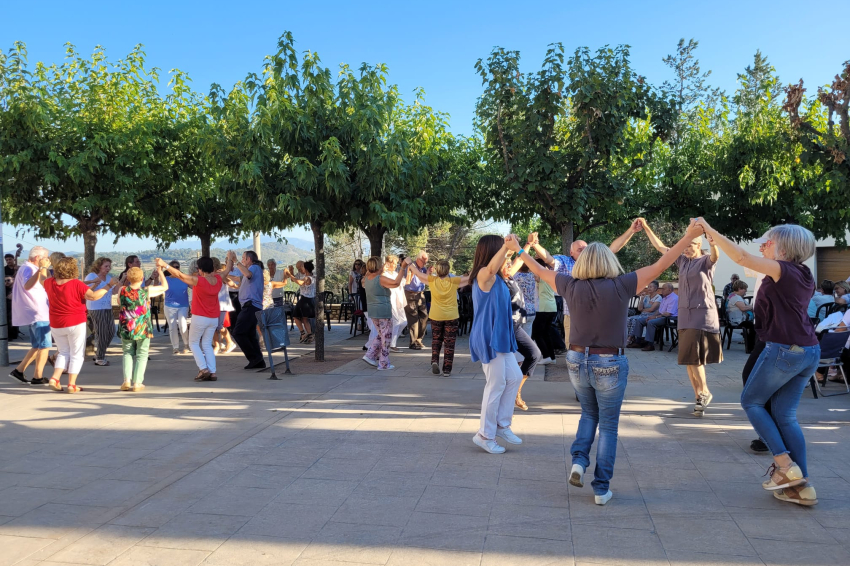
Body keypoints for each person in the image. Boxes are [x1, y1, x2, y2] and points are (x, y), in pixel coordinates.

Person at [513, 224, 702, 505]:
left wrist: (517, 247)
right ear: (609, 261)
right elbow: (664, 262)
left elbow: (539, 269)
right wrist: (688, 237)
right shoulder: (622, 284)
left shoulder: (569, 284)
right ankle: (601, 488)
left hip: (577, 359)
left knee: (588, 414)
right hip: (610, 360)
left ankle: (578, 462)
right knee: (609, 426)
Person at [696, 219, 821, 506]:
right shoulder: (801, 273)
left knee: (751, 401)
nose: (763, 245)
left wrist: (709, 230)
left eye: (769, 241)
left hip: (785, 349)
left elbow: (740, 257)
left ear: (786, 248)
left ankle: (784, 466)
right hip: (807, 349)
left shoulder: (784, 269)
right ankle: (802, 488)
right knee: (785, 416)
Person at [641, 218, 722, 414]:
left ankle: (705, 392)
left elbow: (715, 255)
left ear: (699, 245)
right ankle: (698, 398)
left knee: (695, 358)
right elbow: (660, 247)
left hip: (702, 314)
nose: (686, 249)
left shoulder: (705, 261)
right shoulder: (682, 261)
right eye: (684, 245)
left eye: (690, 245)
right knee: (687, 359)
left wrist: (712, 241)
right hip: (684, 314)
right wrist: (645, 227)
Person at [529, 222, 641, 344]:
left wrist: (631, 231)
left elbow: (613, 249)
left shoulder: (596, 259)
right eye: (579, 250)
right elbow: (548, 259)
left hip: (599, 315)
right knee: (573, 350)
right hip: (573, 316)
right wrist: (535, 245)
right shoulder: (565, 262)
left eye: (586, 249)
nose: (584, 252)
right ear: (571, 253)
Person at [468, 235, 523, 455]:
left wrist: (519, 248)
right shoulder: (484, 274)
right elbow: (491, 269)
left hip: (501, 336)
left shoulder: (500, 277)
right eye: (501, 248)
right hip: (489, 336)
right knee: (496, 385)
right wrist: (506, 248)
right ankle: (484, 435)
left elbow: (515, 262)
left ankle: (501, 425)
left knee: (515, 378)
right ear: (493, 249)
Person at [39, 257, 116, 392]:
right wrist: (109, 285)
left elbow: (41, 280)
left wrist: (43, 267)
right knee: (76, 353)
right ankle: (71, 384)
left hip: (56, 323)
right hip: (75, 322)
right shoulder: (76, 283)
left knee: (63, 351)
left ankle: (55, 378)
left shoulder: (50, 282)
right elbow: (93, 296)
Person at [157, 256, 224, 380]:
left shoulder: (198, 280)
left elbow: (180, 275)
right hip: (213, 317)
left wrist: (165, 265)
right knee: (207, 344)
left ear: (201, 269)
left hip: (200, 317)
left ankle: (203, 368)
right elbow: (227, 270)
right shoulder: (218, 279)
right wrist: (230, 260)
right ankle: (213, 372)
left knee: (193, 343)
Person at [502, 243, 544, 410]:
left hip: (517, 325)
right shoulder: (498, 281)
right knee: (507, 367)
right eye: (507, 264)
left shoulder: (510, 277)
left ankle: (516, 392)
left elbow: (520, 260)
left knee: (534, 354)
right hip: (505, 328)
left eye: (510, 264)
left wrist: (528, 245)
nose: (510, 266)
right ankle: (505, 403)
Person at [408, 259, 468, 376]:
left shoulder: (432, 280)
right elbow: (469, 279)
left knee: (436, 339)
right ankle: (447, 369)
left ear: (437, 269)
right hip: (451, 316)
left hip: (436, 315)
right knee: (449, 343)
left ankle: (435, 360)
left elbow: (418, 274)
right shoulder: (454, 281)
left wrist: (410, 263)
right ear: (448, 270)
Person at [118, 265, 168, 392]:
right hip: (143, 328)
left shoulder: (122, 290)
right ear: (141, 278)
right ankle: (138, 382)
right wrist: (160, 272)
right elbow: (165, 287)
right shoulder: (146, 291)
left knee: (127, 353)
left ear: (128, 278)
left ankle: (126, 380)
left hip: (126, 327)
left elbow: (119, 303)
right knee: (142, 354)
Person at [9, 246, 53, 385]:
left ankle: (19, 370)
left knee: (37, 346)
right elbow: (27, 285)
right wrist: (41, 270)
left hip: (36, 311)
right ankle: (37, 376)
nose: (48, 260)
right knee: (44, 346)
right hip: (38, 312)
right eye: (46, 257)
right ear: (37, 258)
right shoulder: (29, 269)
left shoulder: (26, 268)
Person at [362, 256, 408, 370]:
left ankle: (370, 355)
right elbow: (396, 283)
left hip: (373, 311)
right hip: (383, 311)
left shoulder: (367, 278)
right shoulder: (380, 279)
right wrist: (403, 268)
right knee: (386, 337)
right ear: (378, 266)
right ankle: (384, 363)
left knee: (381, 334)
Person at [229, 250, 266, 369]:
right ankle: (258, 360)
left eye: (243, 258)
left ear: (249, 259)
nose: (242, 260)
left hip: (251, 306)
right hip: (250, 306)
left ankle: (255, 358)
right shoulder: (251, 270)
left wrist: (235, 261)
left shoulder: (254, 267)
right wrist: (224, 274)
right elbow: (240, 278)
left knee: (238, 332)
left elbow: (248, 275)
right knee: (250, 334)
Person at [82, 257, 118, 367]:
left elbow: (114, 292)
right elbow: (87, 292)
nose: (108, 268)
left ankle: (99, 352)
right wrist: (96, 284)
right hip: (96, 307)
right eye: (106, 266)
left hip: (107, 307)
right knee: (102, 332)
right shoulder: (92, 276)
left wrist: (120, 282)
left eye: (109, 266)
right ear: (99, 266)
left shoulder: (108, 278)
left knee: (111, 331)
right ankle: (100, 358)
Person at [628, 283, 678, 349]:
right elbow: (659, 310)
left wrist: (655, 317)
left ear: (669, 290)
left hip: (669, 319)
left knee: (651, 322)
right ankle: (638, 342)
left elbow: (668, 314)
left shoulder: (674, 298)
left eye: (663, 289)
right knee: (640, 321)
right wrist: (653, 316)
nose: (661, 290)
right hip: (661, 316)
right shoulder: (665, 298)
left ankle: (650, 344)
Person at [530, 257, 560, 369]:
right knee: (546, 333)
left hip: (543, 307)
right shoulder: (551, 274)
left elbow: (535, 277)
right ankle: (552, 357)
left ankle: (546, 356)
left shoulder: (541, 274)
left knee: (537, 333)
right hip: (552, 307)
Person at [162, 260, 190, 354]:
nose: (176, 268)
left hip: (183, 305)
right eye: (174, 267)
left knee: (183, 325)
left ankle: (186, 344)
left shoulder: (183, 278)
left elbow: (194, 286)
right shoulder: (166, 279)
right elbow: (158, 286)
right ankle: (175, 347)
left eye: (177, 267)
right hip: (169, 306)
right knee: (172, 327)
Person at [403, 250, 430, 350]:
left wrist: (428, 273)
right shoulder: (411, 266)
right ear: (418, 259)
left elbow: (425, 281)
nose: (425, 263)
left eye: (426, 261)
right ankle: (413, 342)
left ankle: (419, 340)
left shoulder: (423, 269)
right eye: (423, 261)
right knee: (413, 319)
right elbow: (407, 280)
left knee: (424, 316)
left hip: (420, 294)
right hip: (410, 294)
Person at [383, 255, 408, 353]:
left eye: (396, 263)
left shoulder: (395, 273)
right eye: (394, 263)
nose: (395, 265)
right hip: (391, 299)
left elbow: (405, 282)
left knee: (404, 322)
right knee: (396, 321)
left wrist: (409, 270)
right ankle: (392, 345)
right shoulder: (385, 274)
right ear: (388, 263)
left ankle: (392, 342)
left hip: (399, 300)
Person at [212, 257, 237, 354]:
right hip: (213, 304)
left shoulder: (220, 274)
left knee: (220, 326)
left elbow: (231, 283)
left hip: (222, 304)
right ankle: (217, 345)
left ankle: (230, 342)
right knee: (212, 326)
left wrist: (234, 284)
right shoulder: (209, 275)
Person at [288, 260, 316, 343]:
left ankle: (303, 333)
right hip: (308, 299)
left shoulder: (308, 278)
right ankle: (310, 335)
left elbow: (299, 282)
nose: (300, 270)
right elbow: (296, 280)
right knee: (304, 319)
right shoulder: (311, 277)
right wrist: (292, 272)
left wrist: (290, 274)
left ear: (306, 268)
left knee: (295, 316)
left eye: (301, 267)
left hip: (305, 299)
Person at [513, 263, 537, 337]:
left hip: (520, 310)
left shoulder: (516, 276)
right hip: (532, 309)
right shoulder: (532, 276)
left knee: (518, 338)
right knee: (527, 338)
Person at [5, 253, 19, 341]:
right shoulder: (4, 269)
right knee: (8, 315)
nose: (9, 261)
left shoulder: (18, 268)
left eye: (10, 259)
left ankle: (15, 332)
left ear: (14, 259)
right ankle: (9, 334)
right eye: (7, 260)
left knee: (16, 314)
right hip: (7, 293)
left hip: (17, 293)